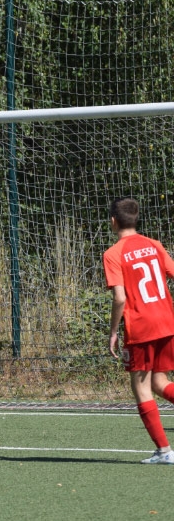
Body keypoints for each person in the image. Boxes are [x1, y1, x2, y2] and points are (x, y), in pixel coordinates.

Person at [104, 197, 174, 464]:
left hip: (142, 327)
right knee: (159, 382)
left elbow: (120, 298)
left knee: (142, 388)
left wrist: (113, 331)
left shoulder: (113, 254)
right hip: (167, 322)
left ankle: (164, 451)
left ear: (113, 221)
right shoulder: (154, 244)